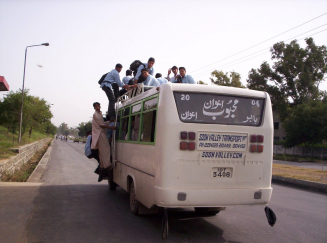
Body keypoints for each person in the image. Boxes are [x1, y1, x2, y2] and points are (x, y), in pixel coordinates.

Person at [91, 102, 116, 181]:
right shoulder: (96, 115)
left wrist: (109, 121)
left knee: (103, 151)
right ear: (94, 108)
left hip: (102, 133)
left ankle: (103, 169)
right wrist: (111, 127)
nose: (97, 107)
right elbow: (101, 125)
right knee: (105, 149)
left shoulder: (100, 114)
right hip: (100, 134)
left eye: (98, 106)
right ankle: (107, 165)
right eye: (96, 106)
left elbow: (103, 123)